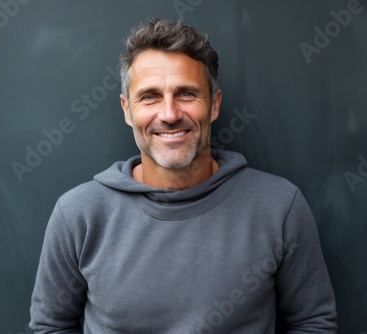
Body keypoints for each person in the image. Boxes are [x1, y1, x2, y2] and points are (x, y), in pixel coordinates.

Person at [29, 18, 337, 333]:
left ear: (214, 104)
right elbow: (51, 325)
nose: (170, 114)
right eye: (149, 96)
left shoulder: (280, 206)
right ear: (127, 110)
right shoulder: (77, 214)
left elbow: (312, 322)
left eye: (186, 94)